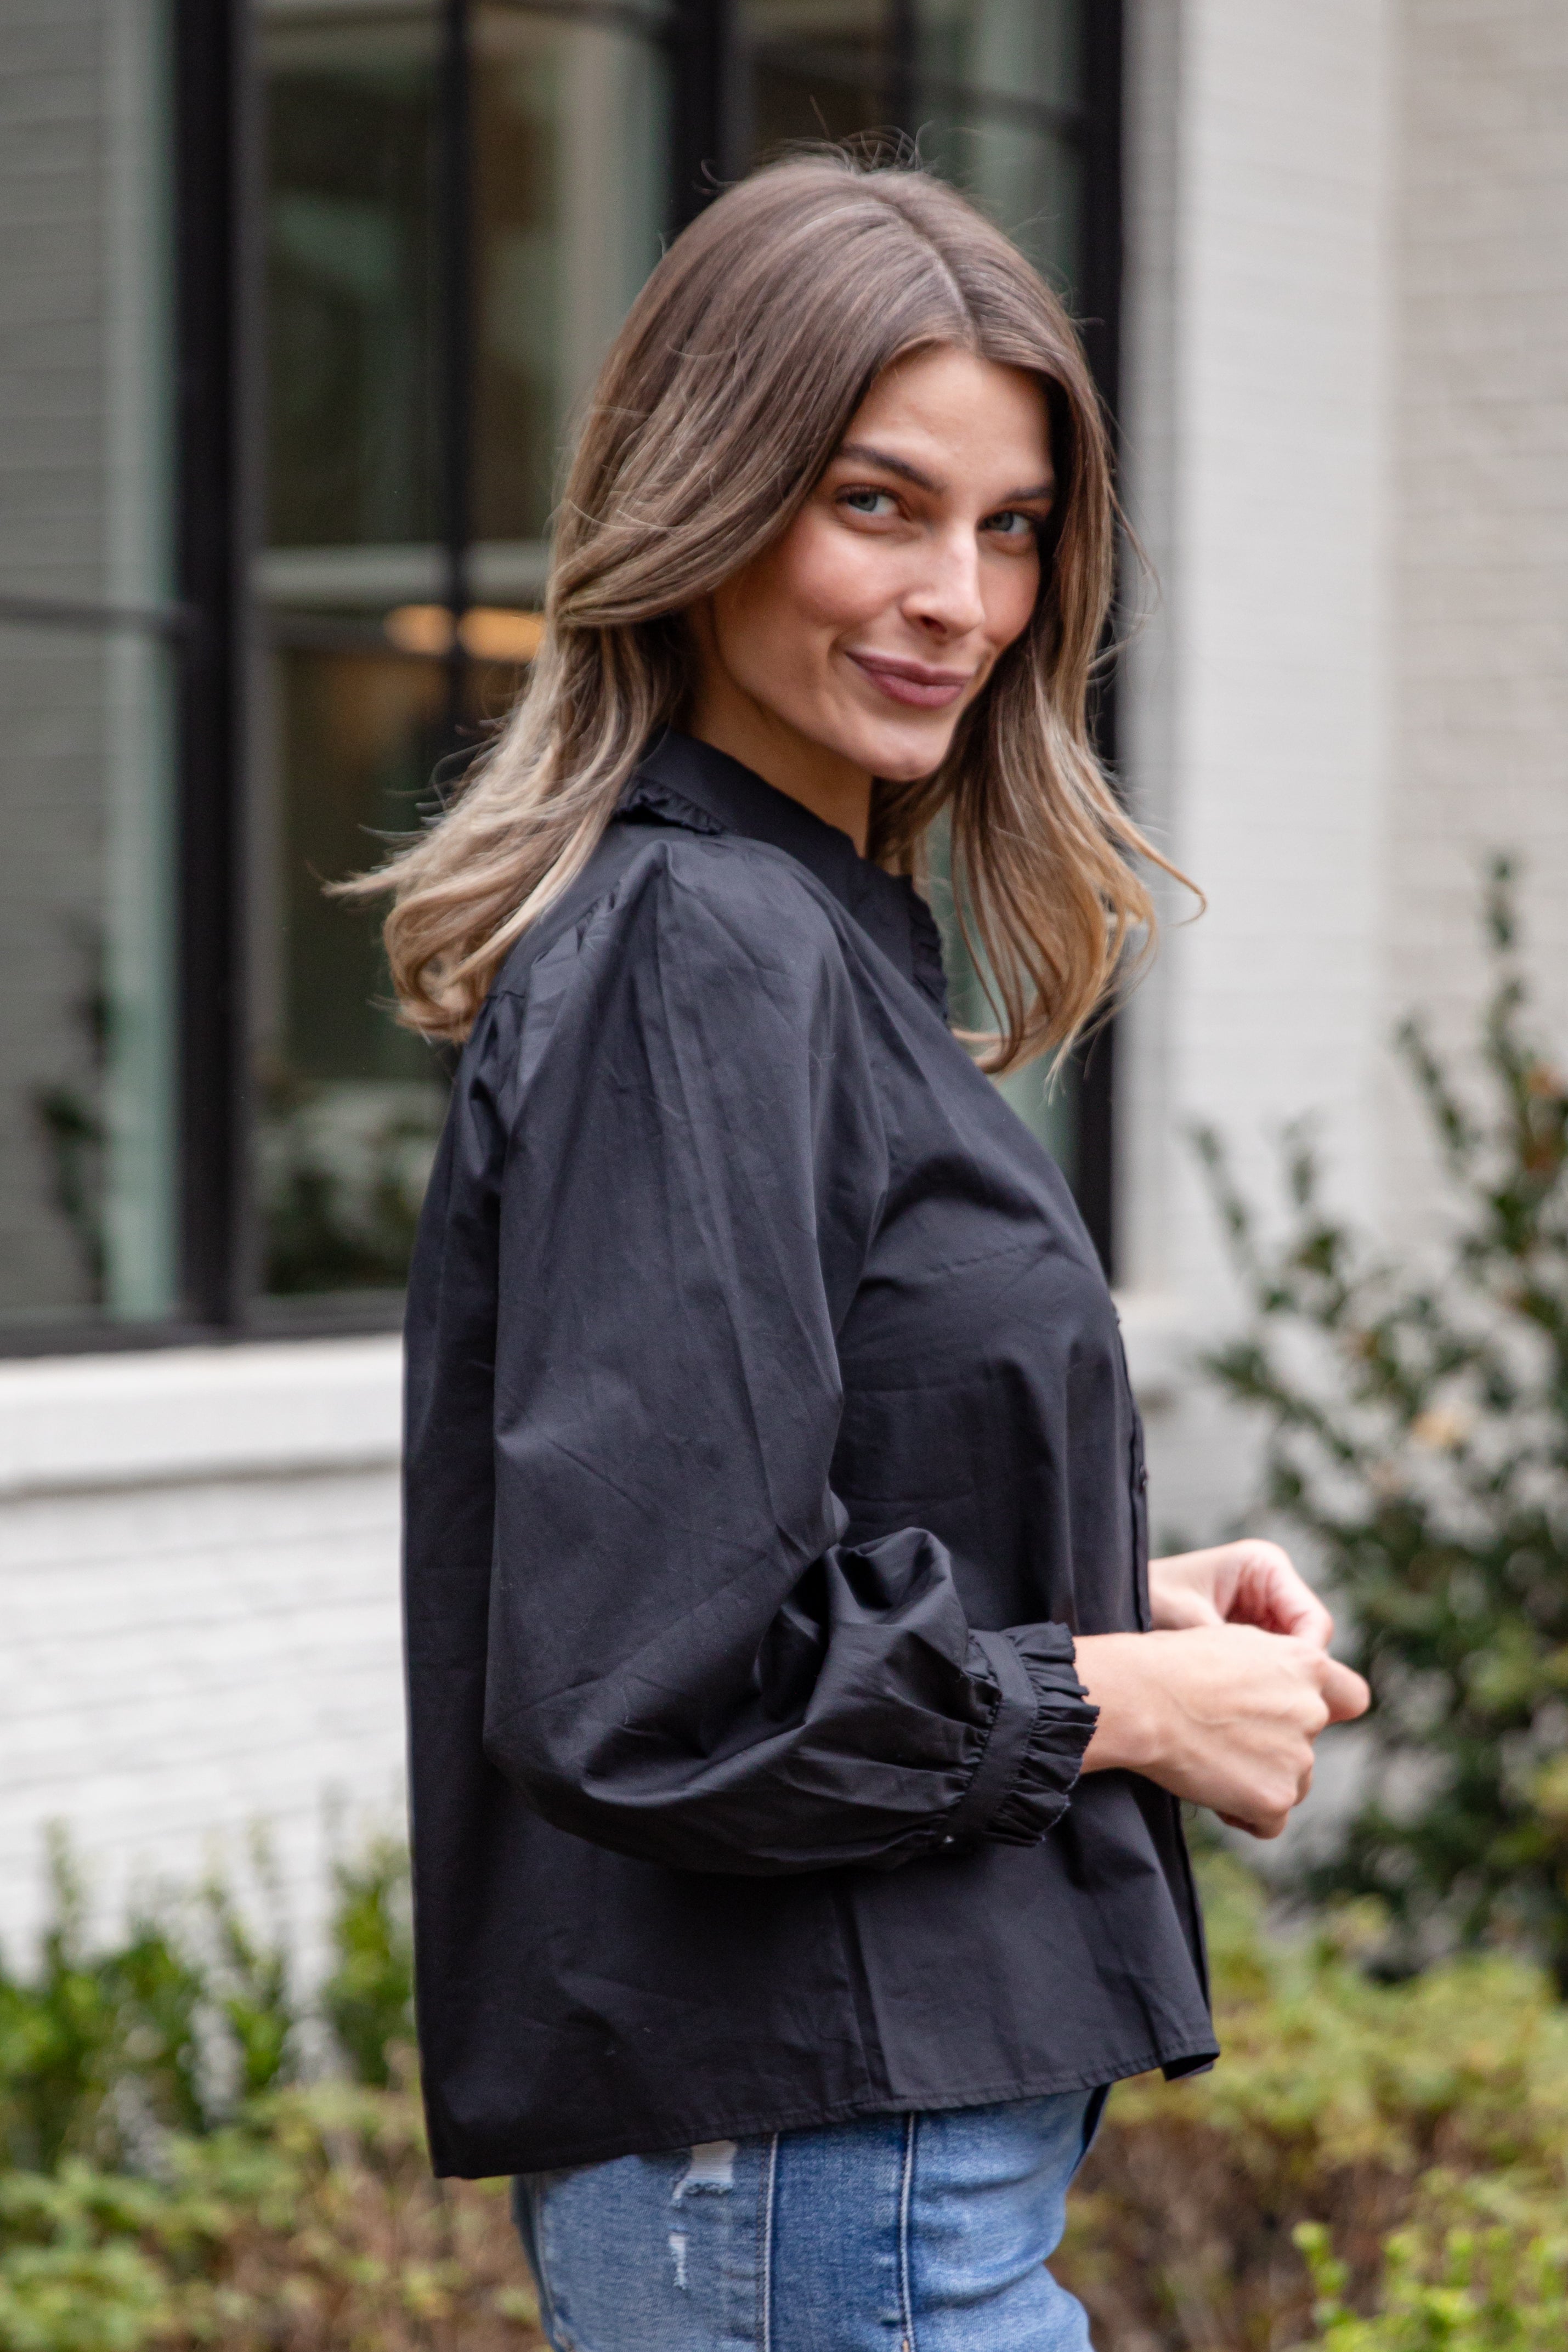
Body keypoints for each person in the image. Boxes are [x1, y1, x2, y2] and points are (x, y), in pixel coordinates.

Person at [354, 155, 1369, 2352]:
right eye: (877, 505)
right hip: (809, 2158)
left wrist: (1100, 1573)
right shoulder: (701, 949)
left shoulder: (799, 932)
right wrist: (1120, 1696)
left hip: (855, 2160)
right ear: (704, 501)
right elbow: (656, 1673)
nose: (961, 597)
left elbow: (768, 1505)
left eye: (1009, 528)